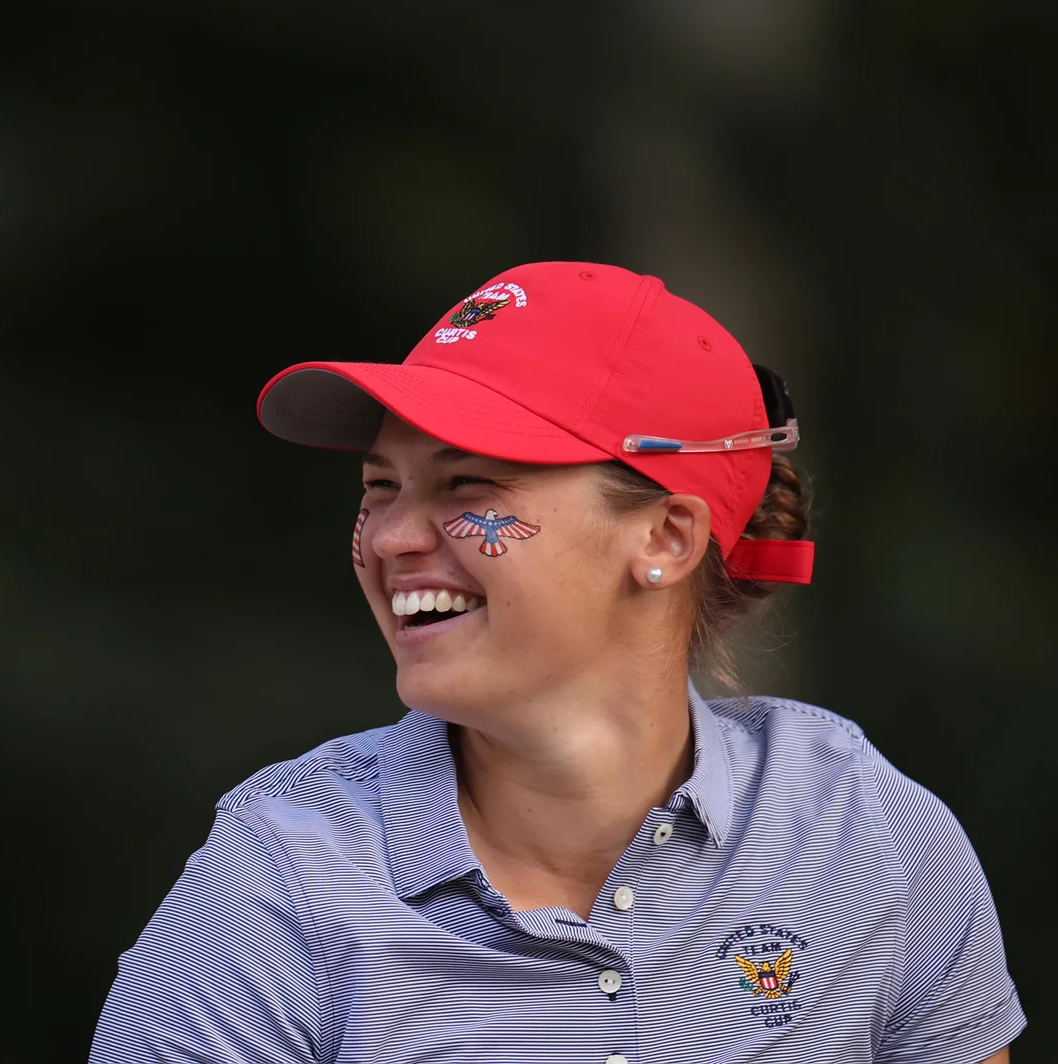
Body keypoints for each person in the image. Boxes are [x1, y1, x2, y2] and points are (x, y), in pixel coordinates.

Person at [90, 263, 1022, 1063]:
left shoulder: (865, 835)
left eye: (468, 484)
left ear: (664, 534)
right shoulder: (286, 873)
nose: (393, 537)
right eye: (380, 488)